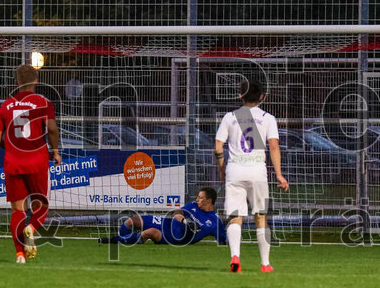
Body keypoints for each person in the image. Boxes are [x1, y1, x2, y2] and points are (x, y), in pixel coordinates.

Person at [215, 78, 288, 273]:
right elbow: (273, 146)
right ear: (261, 97)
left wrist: (222, 168)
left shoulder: (230, 117)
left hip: (235, 171)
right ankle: (265, 264)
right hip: (257, 173)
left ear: (240, 95)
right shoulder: (268, 118)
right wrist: (279, 175)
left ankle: (235, 258)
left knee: (235, 217)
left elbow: (218, 146)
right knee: (261, 216)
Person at [0, 64, 62, 263]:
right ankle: (31, 228)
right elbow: (52, 130)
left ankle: (20, 254)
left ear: (17, 82)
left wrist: (12, 147)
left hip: (13, 162)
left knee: (17, 210)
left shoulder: (6, 104)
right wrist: (55, 151)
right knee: (41, 205)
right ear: (36, 81)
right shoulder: (42, 102)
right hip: (36, 161)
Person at [99, 187, 224, 245]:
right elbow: (177, 212)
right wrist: (184, 220)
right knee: (132, 221)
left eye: (200, 198)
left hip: (174, 238)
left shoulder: (214, 222)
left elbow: (223, 240)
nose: (197, 199)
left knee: (150, 232)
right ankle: (122, 238)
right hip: (166, 223)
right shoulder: (193, 205)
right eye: (197, 197)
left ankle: (114, 241)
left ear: (209, 201)